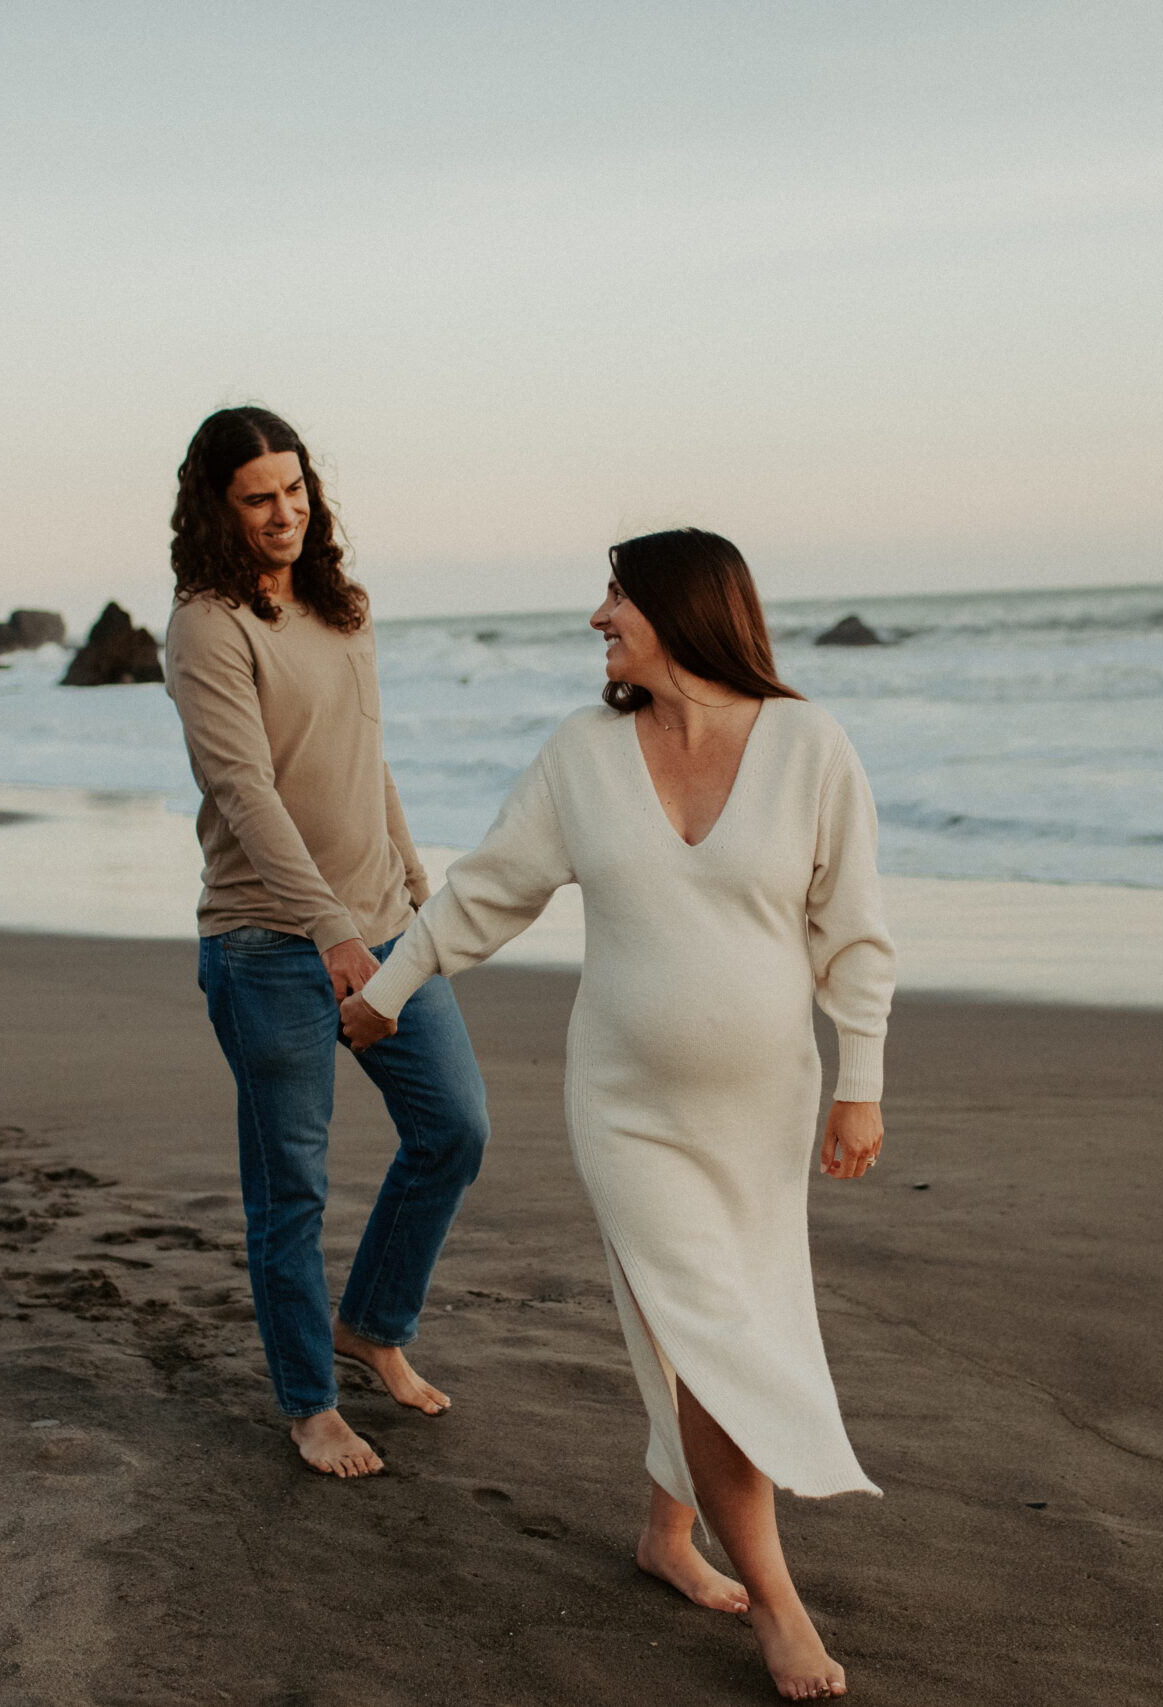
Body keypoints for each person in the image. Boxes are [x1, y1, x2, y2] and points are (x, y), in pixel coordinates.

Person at [341, 529, 893, 1701]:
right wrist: (387, 993)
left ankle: (664, 1533)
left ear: (683, 613)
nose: (598, 618)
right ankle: (781, 1609)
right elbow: (490, 889)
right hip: (626, 1109)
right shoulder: (582, 757)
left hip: (764, 1111)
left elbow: (853, 926)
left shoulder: (807, 746)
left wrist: (862, 1080)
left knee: (708, 1325)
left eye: (616, 597)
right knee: (705, 1342)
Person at [165, 405, 488, 1480]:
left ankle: (373, 1325)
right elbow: (243, 792)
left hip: (382, 925)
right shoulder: (209, 625)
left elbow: (367, 759)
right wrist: (331, 929)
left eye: (295, 490)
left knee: (454, 1131)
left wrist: (410, 885)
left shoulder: (340, 608)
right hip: (268, 944)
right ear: (218, 506)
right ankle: (309, 1403)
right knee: (290, 1192)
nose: (284, 513)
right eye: (258, 497)